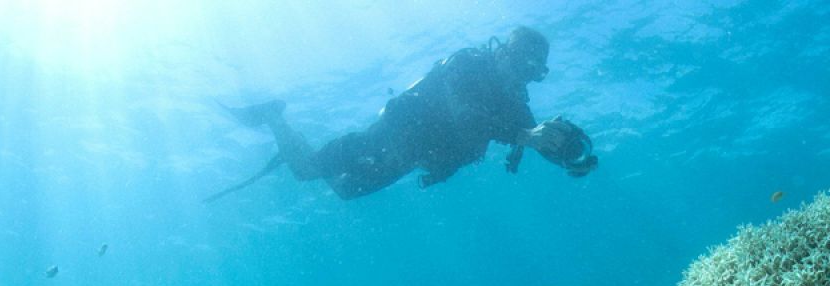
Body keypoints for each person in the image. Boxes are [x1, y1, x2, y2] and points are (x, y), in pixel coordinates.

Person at [208, 27, 597, 202]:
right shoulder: (467, 64)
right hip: (394, 134)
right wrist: (524, 137)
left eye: (533, 72)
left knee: (345, 191)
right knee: (307, 170)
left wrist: (570, 154)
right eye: (522, 64)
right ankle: (275, 117)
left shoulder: (513, 99)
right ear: (504, 52)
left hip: (416, 154)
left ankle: (285, 130)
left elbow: (534, 134)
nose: (523, 76)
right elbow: (467, 117)